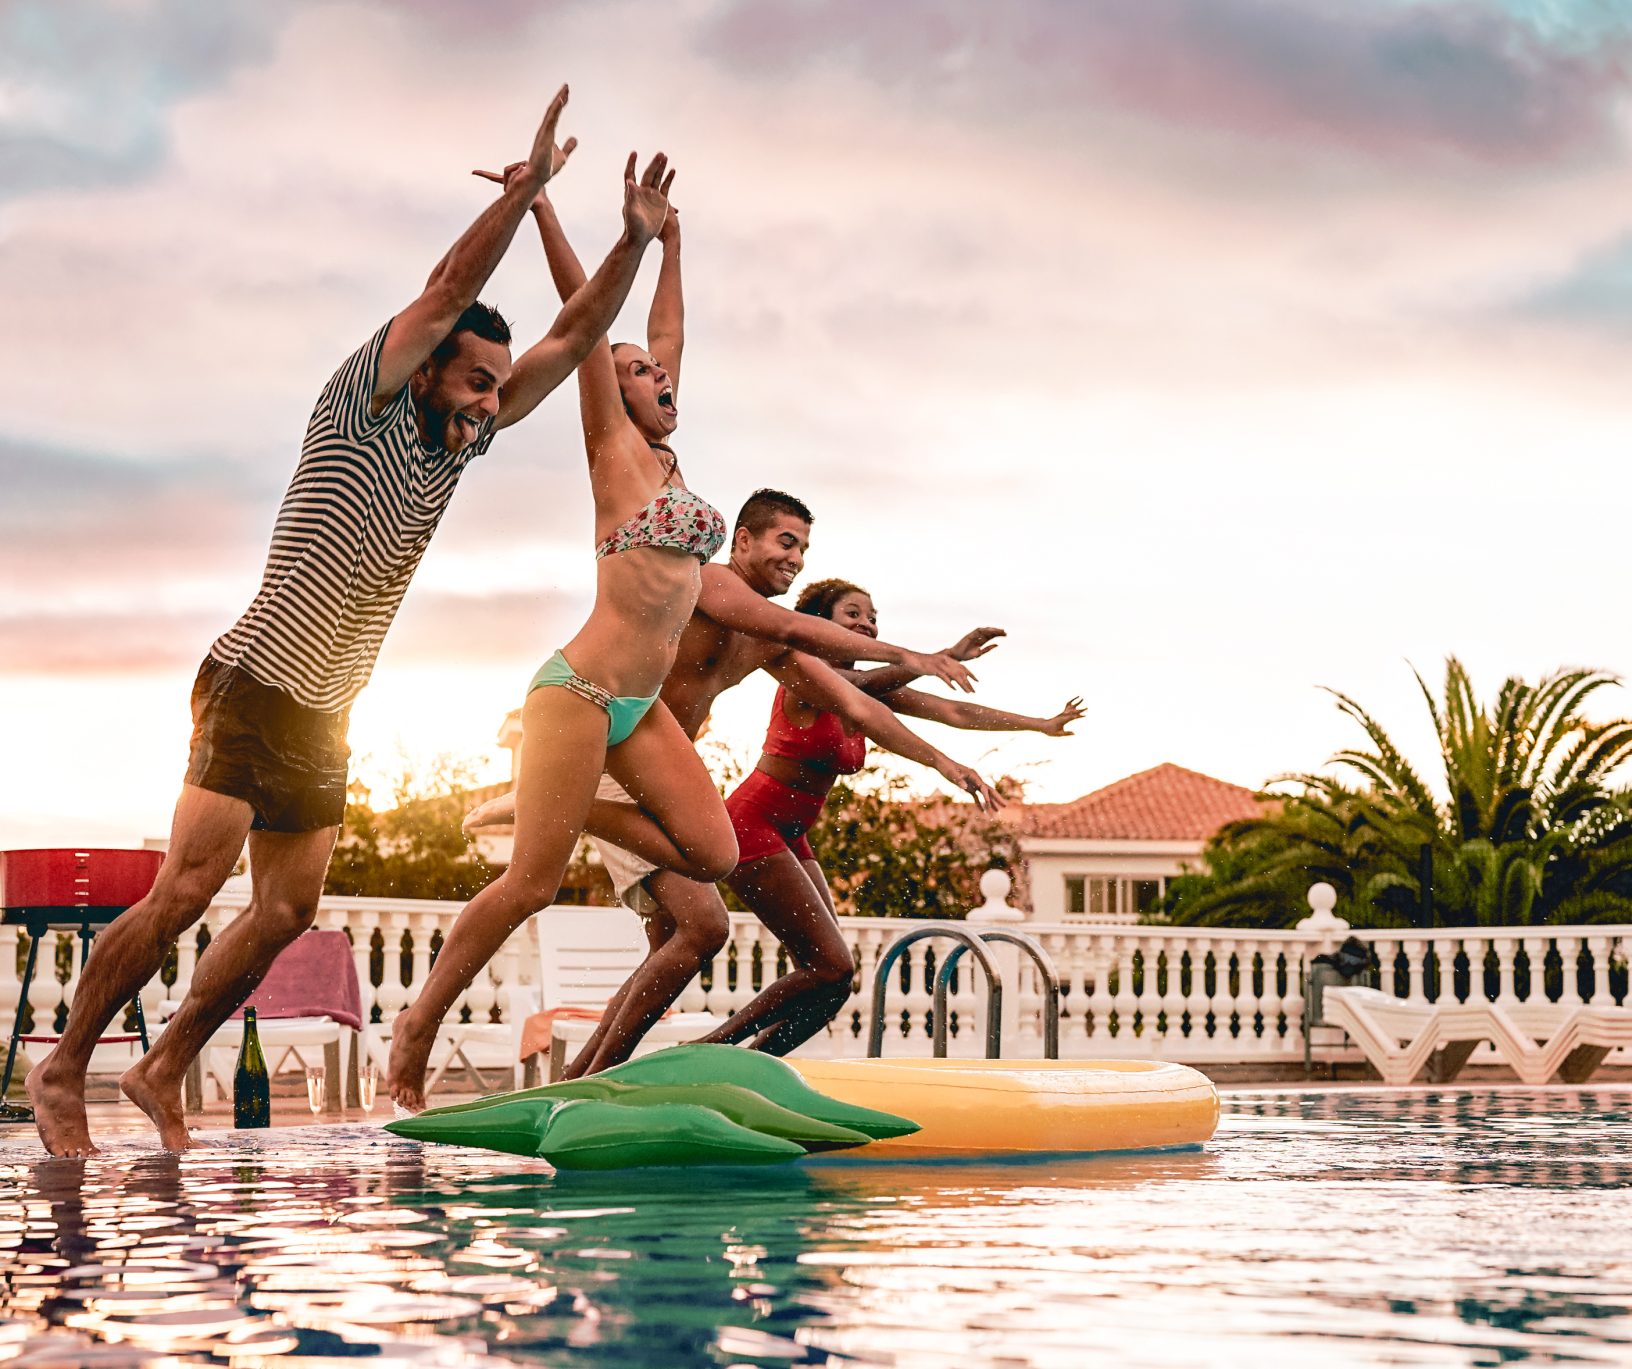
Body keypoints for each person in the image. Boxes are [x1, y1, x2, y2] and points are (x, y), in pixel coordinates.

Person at [29, 88, 664, 1157]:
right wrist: (529, 195)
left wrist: (633, 244)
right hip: (253, 677)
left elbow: (577, 334)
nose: (486, 401)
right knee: (187, 888)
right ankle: (63, 1067)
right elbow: (450, 284)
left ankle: (164, 1061)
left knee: (282, 913)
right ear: (422, 366)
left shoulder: (460, 437)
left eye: (493, 389)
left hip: (327, 709)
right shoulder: (361, 398)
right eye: (471, 379)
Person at [385, 182, 992, 1111]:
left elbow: (666, 337)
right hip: (580, 690)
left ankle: (569, 803)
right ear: (613, 387)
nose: (658, 376)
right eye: (638, 372)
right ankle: (413, 1039)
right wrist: (544, 208)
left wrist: (674, 244)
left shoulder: (671, 461)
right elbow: (589, 323)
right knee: (527, 887)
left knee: (712, 854)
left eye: (661, 375)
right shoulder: (611, 449)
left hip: (634, 714)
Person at [580, 578, 1084, 1066]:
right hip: (752, 827)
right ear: (821, 626)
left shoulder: (866, 693)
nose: (866, 624)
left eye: (873, 618)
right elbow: (864, 682)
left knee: (835, 982)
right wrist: (935, 659)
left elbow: (952, 709)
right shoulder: (806, 680)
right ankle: (706, 1053)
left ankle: (750, 1069)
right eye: (853, 616)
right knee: (830, 964)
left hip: (792, 836)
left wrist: (1039, 724)